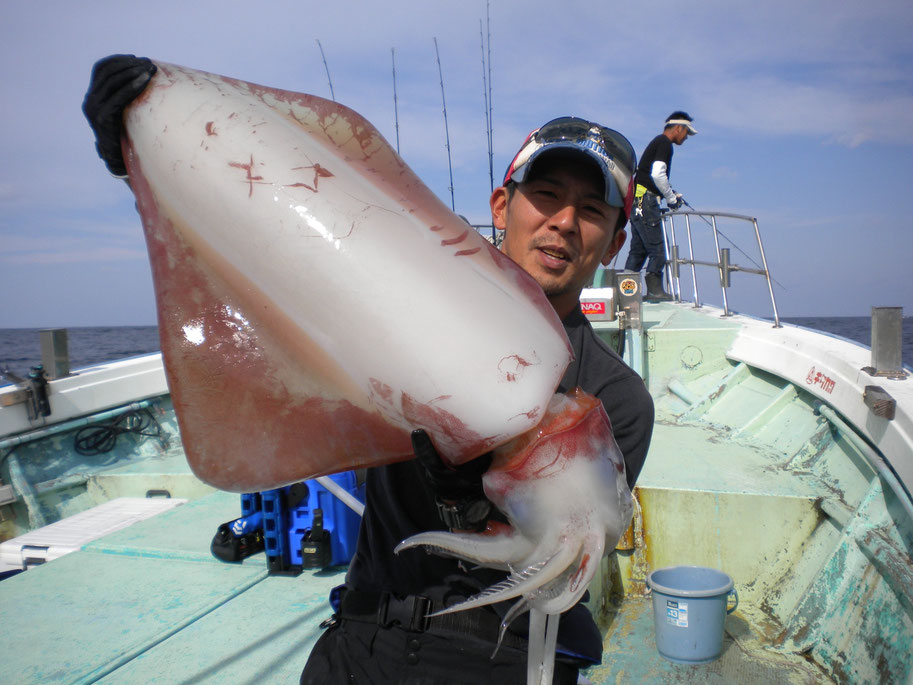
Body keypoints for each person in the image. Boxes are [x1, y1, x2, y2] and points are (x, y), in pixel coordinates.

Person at [83, 55, 654, 684]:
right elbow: (283, 250)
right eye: (545, 195)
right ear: (502, 204)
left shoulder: (616, 401)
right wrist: (149, 154)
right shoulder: (404, 296)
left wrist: (470, 503)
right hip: (363, 634)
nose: (564, 222)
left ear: (616, 240)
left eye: (592, 209)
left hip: (497, 654)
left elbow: (559, 556)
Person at [624, 111, 697, 301]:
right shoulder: (665, 143)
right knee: (657, 250)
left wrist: (670, 193)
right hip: (646, 202)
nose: (686, 138)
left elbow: (651, 175)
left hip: (637, 200)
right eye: (686, 133)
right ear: (679, 128)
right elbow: (657, 174)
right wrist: (672, 199)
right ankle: (655, 291)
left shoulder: (657, 142)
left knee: (638, 251)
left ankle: (624, 291)